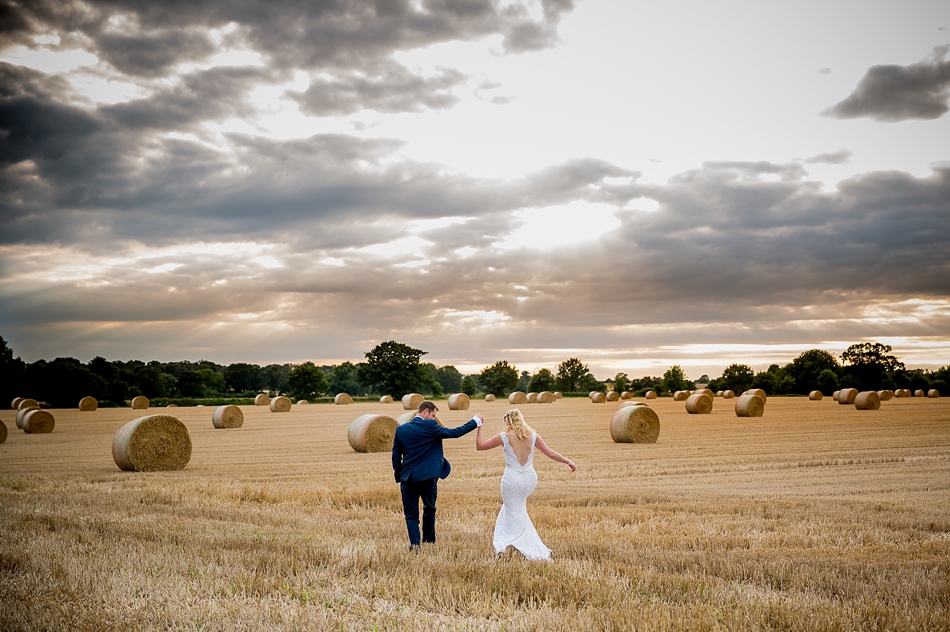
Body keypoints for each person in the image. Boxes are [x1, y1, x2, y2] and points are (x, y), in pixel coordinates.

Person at [475, 408, 576, 560]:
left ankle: (518, 542)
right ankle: (518, 539)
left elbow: (479, 446)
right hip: (529, 478)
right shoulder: (533, 436)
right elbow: (551, 453)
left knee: (512, 510)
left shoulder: (504, 437)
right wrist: (568, 461)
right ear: (521, 419)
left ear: (507, 422)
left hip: (512, 478)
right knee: (517, 508)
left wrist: (479, 427)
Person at [392, 400, 483, 550]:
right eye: (433, 415)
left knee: (411, 515)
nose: (434, 418)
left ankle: (415, 545)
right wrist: (475, 421)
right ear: (426, 411)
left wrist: (400, 474)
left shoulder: (401, 430)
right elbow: (454, 433)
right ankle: (429, 540)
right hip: (428, 477)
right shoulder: (431, 426)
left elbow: (396, 456)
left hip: (407, 478)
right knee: (429, 508)